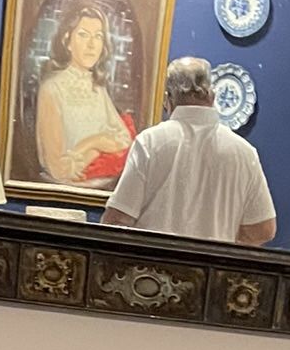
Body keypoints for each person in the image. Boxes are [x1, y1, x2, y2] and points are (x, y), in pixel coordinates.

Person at [102, 56, 276, 246]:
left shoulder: (150, 142)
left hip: (153, 271)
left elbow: (117, 220)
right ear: (212, 96)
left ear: (168, 99)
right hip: (213, 271)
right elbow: (263, 229)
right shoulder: (244, 153)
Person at [34, 5, 134, 188]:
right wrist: (99, 144)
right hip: (62, 192)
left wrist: (89, 145)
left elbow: (124, 138)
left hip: (103, 190)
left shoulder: (97, 88)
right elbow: (59, 169)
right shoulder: (52, 89)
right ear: (67, 40)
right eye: (83, 34)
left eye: (98, 36)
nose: (91, 45)